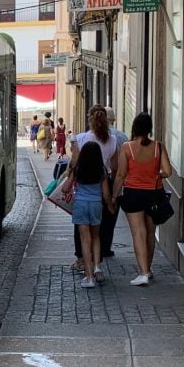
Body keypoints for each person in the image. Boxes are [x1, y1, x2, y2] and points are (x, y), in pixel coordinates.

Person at [113, 112, 173, 286]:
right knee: (149, 232)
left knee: (138, 233)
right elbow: (168, 172)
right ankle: (148, 268)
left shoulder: (127, 147)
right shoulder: (158, 147)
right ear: (149, 129)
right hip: (154, 194)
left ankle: (143, 272)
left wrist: (114, 194)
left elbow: (121, 174)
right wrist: (157, 176)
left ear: (134, 128)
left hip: (133, 194)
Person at [70, 106, 120, 271]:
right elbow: (114, 167)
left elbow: (74, 163)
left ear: (89, 119)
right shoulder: (112, 140)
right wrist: (112, 196)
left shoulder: (81, 138)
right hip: (103, 183)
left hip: (84, 184)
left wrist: (70, 177)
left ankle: (82, 259)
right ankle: (98, 261)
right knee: (99, 227)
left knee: (81, 227)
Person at [69, 140, 115, 288]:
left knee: (85, 240)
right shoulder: (101, 171)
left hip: (81, 205)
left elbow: (64, 189)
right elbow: (106, 194)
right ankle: (97, 267)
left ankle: (89, 277)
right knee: (96, 237)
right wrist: (110, 205)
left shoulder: (77, 169)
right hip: (96, 205)